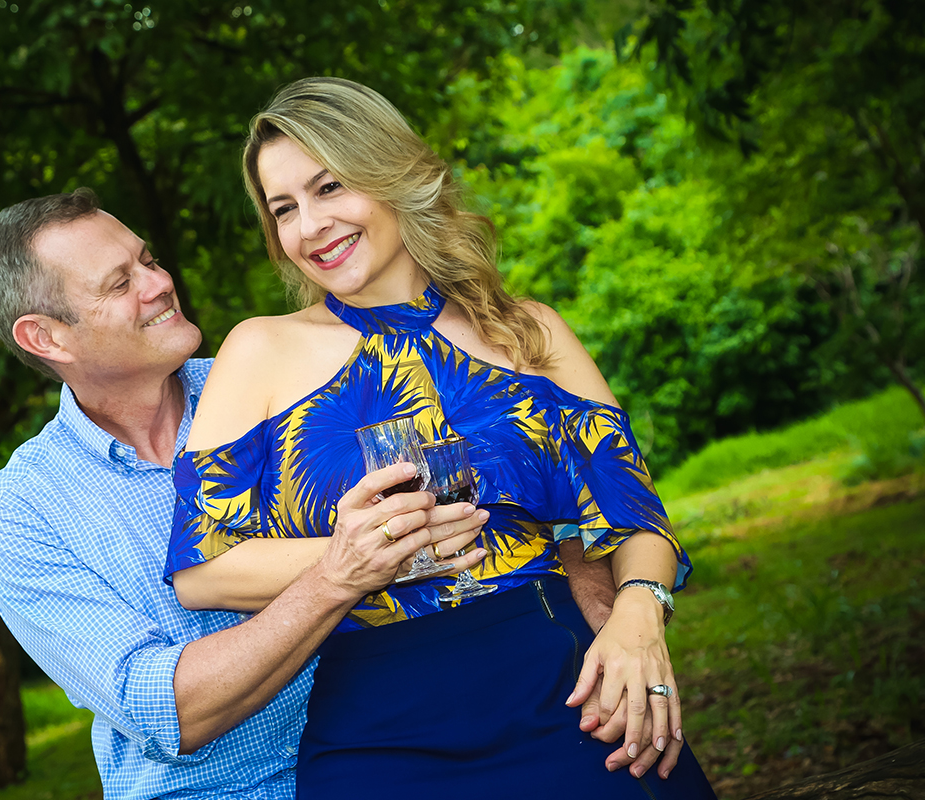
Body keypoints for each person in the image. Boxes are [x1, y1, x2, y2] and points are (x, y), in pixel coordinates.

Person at [166, 77, 718, 798]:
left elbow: (633, 512)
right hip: (375, 725)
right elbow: (202, 570)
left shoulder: (528, 331)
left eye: (329, 187)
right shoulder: (258, 350)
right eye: (284, 209)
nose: (310, 225)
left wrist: (640, 615)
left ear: (390, 172)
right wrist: (366, 555)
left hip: (564, 688)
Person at [0, 189, 500, 800]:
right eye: (120, 283)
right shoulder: (19, 513)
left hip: (399, 756)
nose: (160, 283)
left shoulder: (288, 387)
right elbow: (166, 710)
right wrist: (336, 575)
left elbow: (503, 498)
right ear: (46, 338)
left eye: (149, 260)